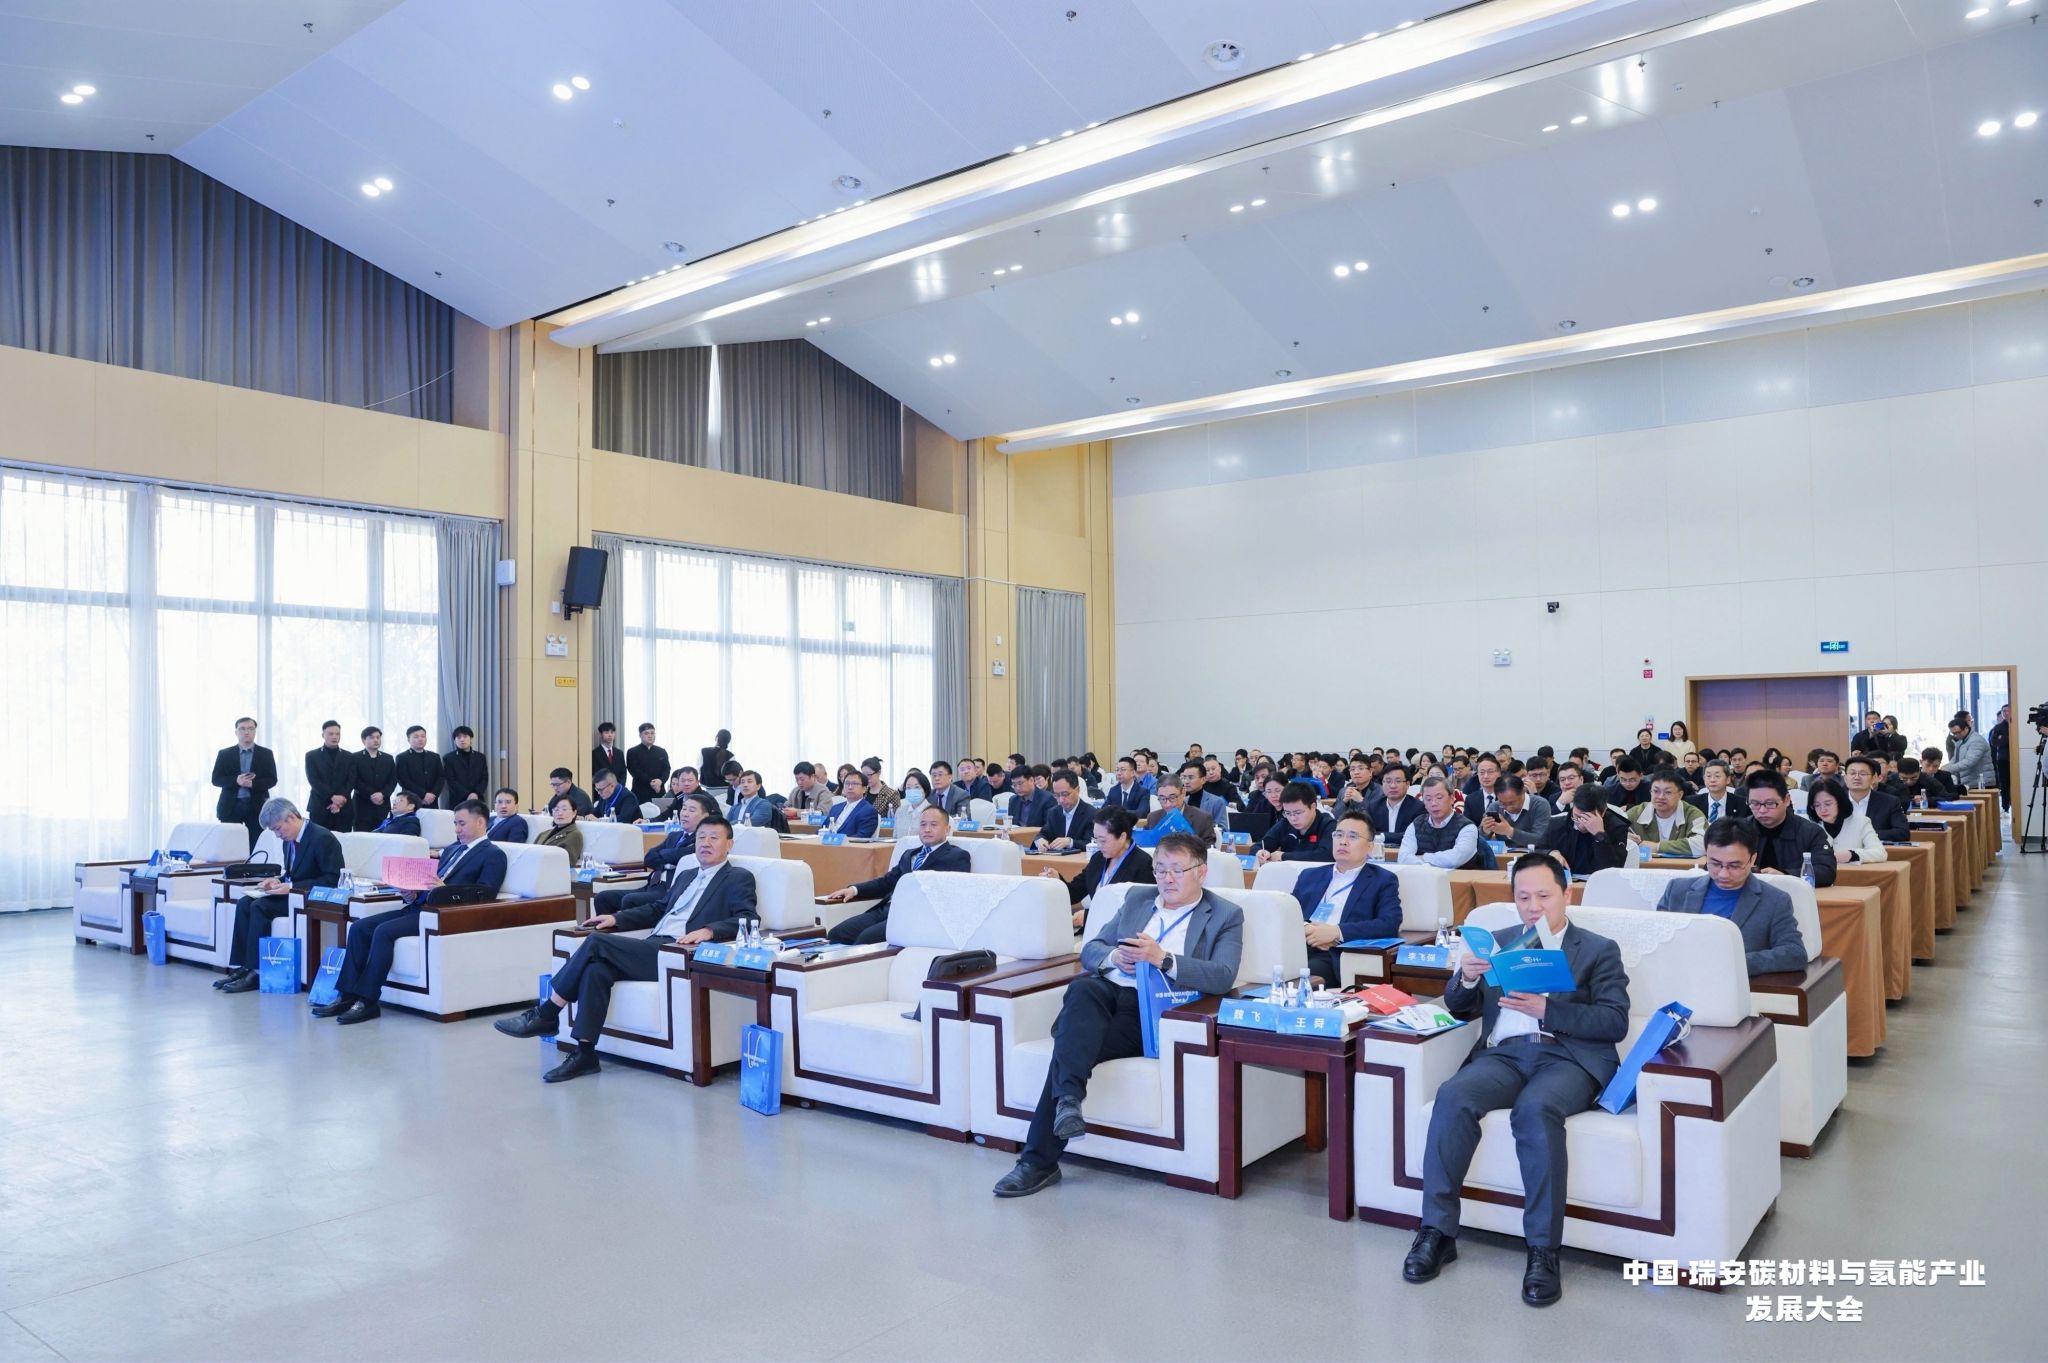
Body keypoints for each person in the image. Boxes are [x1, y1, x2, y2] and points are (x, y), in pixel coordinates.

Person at [1402, 852, 1629, 1307]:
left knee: (1536, 1109)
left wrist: (1549, 1010)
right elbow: (1460, 1007)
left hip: (1567, 1058)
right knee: (1453, 1095)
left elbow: (1614, 1021)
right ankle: (1437, 1232)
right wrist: (1466, 979)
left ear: (1567, 894)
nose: (1533, 907)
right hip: (1504, 1055)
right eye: (1523, 897)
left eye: (1544, 896)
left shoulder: (1598, 949)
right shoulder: (1499, 944)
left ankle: (1543, 1250)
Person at [993, 833, 1242, 1198]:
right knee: (1082, 989)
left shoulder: (1225, 914)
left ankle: (1038, 1161)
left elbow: (1223, 975)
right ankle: (1067, 1104)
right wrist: (1114, 958)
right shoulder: (1138, 899)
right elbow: (1091, 948)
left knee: (1070, 1047)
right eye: (1160, 869)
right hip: (1106, 993)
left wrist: (1163, 959)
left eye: (1177, 870)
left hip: (1155, 1010)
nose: (1167, 879)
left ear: (1201, 872)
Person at [497, 818, 758, 1081]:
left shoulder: (738, 877)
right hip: (653, 944)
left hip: (678, 952)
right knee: (596, 970)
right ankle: (585, 1054)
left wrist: (709, 931)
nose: (705, 843)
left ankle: (548, 1012)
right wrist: (616, 918)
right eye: (701, 837)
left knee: (596, 943)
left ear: (729, 844)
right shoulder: (687, 874)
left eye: (714, 837)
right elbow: (658, 909)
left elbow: (748, 918)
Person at [313, 800, 508, 1024]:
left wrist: (445, 890)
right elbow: (430, 884)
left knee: (383, 932)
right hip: (418, 907)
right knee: (359, 928)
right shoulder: (452, 850)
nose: (457, 829)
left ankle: (367, 1001)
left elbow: (485, 895)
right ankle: (346, 995)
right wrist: (411, 894)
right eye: (455, 824)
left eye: (462, 824)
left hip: (443, 915)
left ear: (481, 822)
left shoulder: (493, 854)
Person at [216, 798, 345, 993]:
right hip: (293, 895)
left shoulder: (322, 838)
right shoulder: (289, 841)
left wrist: (291, 887)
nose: (277, 835)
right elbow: (293, 874)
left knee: (260, 907)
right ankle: (243, 967)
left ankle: (257, 971)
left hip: (311, 899)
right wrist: (277, 881)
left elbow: (332, 879)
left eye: (277, 829)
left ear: (291, 817)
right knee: (244, 902)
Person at [1655, 819, 1809, 975]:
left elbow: (1795, 953)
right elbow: (1656, 940)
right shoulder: (1677, 890)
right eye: (1715, 864)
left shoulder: (1775, 900)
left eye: (1734, 866)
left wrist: (1734, 962)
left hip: (1735, 983)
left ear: (1752, 859)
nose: (1723, 874)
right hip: (1679, 978)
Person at [820, 803, 973, 944]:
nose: (927, 829)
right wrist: (854, 890)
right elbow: (886, 883)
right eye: (923, 824)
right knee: (836, 934)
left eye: (934, 825)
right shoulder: (909, 854)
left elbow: (950, 895)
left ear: (947, 829)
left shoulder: (957, 856)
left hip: (914, 917)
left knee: (864, 939)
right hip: (886, 910)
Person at [1291, 812, 1402, 987]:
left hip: (1335, 954)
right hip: (1298, 946)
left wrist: (1337, 932)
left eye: (1353, 836)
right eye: (1339, 835)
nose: (1343, 841)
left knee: (1299, 975)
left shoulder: (1383, 880)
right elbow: (1289, 913)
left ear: (1370, 847)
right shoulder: (1309, 875)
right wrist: (1307, 929)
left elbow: (1389, 923)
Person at [593, 791, 721, 924]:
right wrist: (668, 860)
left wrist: (664, 856)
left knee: (630, 900)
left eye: (692, 810)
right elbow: (649, 858)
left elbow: (681, 855)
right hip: (652, 884)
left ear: (705, 816)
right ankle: (605, 930)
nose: (685, 813)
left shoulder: (702, 840)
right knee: (603, 898)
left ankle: (633, 932)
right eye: (684, 808)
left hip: (669, 889)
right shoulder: (674, 836)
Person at [1048, 807, 1154, 930]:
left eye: (1103, 841)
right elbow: (1074, 893)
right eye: (1096, 839)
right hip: (1094, 930)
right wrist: (1058, 880)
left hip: (1121, 934)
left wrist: (1089, 916)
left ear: (1122, 837)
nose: (1098, 845)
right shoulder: (1098, 859)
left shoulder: (1143, 864)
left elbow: (1139, 911)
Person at [1742, 770, 1836, 886]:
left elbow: (1826, 872)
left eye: (1770, 803)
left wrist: (1786, 875)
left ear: (1786, 800)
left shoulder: (1810, 832)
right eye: (1755, 804)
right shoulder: (1739, 831)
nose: (1762, 810)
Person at [1537, 785, 1630, 876]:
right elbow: (1537, 850)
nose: (1580, 823)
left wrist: (1600, 835)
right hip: (1564, 881)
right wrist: (1550, 853)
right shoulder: (1557, 824)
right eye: (1577, 816)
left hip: (1599, 882)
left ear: (1603, 812)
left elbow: (1615, 868)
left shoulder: (1617, 828)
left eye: (1586, 818)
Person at [210, 716, 277, 841]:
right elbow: (216, 779)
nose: (246, 732)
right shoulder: (224, 754)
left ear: (255, 731)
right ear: (236, 732)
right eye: (242, 729)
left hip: (257, 807)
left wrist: (252, 784)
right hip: (231, 807)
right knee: (230, 845)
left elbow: (272, 779)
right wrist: (236, 780)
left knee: (256, 845)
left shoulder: (266, 754)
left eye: (251, 728)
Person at [1398, 776, 1481, 870]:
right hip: (1423, 877)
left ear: (1452, 798)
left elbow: (1456, 858)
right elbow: (1403, 858)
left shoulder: (1467, 827)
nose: (1433, 803)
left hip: (1458, 878)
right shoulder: (1416, 824)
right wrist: (1427, 866)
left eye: (1439, 797)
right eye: (1428, 799)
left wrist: (1423, 858)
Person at [1623, 768, 1706, 858]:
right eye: (1656, 791)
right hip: (1644, 866)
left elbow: (1703, 844)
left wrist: (1657, 847)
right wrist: (1623, 837)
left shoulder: (1692, 814)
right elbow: (1613, 833)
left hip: (1680, 866)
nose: (1660, 797)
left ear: (1680, 795)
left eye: (1667, 792)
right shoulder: (1637, 813)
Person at [1808, 777, 1886, 864]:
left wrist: (1852, 855)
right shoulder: (1809, 826)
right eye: (1817, 805)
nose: (1822, 810)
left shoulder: (1861, 822)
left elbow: (1880, 853)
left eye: (1828, 804)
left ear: (1840, 802)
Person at [1257, 781, 1336, 863]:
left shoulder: (1328, 824)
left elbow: (1326, 855)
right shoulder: (1285, 823)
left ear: (1313, 807)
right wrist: (1260, 852)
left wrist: (1284, 856)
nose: (1293, 818)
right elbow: (1260, 845)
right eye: (1287, 813)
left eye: (1298, 813)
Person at [1841, 756, 1909, 843]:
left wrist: (1866, 835)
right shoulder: (1835, 801)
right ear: (1845, 778)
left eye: (1863, 774)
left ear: (1873, 778)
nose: (1857, 777)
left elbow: (1902, 833)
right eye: (1852, 773)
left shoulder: (1890, 802)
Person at [305, 720, 353, 832]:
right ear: (323, 735)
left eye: (337, 734)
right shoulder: (312, 755)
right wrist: (332, 796)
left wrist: (339, 801)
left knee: (344, 840)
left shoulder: (349, 756)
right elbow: (314, 780)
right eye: (330, 734)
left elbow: (351, 780)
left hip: (344, 808)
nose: (334, 736)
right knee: (319, 840)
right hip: (320, 806)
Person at [1031, 770, 1096, 851]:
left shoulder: (1091, 814)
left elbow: (1092, 844)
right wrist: (1040, 840)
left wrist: (1070, 842)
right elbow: (1043, 833)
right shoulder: (1054, 812)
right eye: (1057, 795)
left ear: (1077, 790)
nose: (1061, 800)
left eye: (1065, 794)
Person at [347, 727, 397, 831]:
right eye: (372, 737)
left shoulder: (388, 758)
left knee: (382, 835)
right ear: (363, 740)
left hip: (383, 804)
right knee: (362, 837)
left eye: (378, 737)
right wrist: (372, 795)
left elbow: (392, 780)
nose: (376, 740)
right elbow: (354, 780)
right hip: (362, 805)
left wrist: (382, 794)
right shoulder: (354, 757)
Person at [1478, 775, 1547, 847]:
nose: (1508, 808)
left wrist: (1510, 831)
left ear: (1523, 792)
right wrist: (1484, 831)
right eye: (1502, 803)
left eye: (1512, 803)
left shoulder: (1539, 804)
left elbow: (1541, 840)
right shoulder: (1495, 806)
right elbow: (1477, 840)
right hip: (1504, 853)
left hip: (1534, 853)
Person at [1143, 781, 1216, 845]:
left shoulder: (1203, 818)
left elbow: (1209, 850)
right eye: (1162, 799)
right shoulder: (1153, 818)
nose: (1168, 804)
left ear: (1183, 792)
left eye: (1172, 798)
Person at [1367, 765, 1424, 845]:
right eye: (1388, 781)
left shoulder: (1419, 807)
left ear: (1407, 784)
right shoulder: (1373, 806)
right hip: (1379, 851)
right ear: (1382, 783)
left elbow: (1415, 835)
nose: (1392, 786)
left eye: (1398, 781)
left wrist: (1382, 836)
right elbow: (1367, 833)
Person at [1685, 759, 1749, 824]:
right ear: (1704, 779)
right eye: (1708, 776)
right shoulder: (1692, 803)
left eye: (1717, 776)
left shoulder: (1741, 803)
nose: (1712, 780)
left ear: (1728, 779)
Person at [394, 725, 443, 809]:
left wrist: (433, 794)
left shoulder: (434, 756)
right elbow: (403, 780)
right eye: (416, 737)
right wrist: (423, 795)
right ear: (408, 739)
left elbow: (441, 777)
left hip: (432, 800)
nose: (420, 739)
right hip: (411, 801)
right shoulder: (402, 757)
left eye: (423, 736)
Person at [822, 769, 881, 837]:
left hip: (846, 843)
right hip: (826, 842)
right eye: (847, 783)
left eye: (855, 784)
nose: (850, 787)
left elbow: (862, 836)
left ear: (864, 789)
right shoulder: (835, 808)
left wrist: (839, 840)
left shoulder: (868, 811)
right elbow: (823, 829)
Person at [442, 726, 488, 808]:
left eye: (465, 736)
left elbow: (484, 778)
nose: (462, 740)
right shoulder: (448, 758)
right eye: (458, 737)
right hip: (457, 800)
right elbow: (451, 781)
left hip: (477, 799)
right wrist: (468, 795)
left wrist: (475, 793)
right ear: (454, 740)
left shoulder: (480, 757)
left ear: (471, 739)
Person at [1945, 712, 1994, 789]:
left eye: (1958, 732)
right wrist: (1945, 767)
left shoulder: (1976, 740)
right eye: (1953, 733)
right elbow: (1955, 759)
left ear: (1966, 728)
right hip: (1969, 783)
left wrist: (1948, 769)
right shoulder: (1961, 741)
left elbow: (1969, 762)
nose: (1956, 735)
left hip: (1981, 784)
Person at [623, 723, 670, 802]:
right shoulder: (632, 751)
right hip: (640, 792)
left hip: (659, 790)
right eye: (646, 733)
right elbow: (634, 770)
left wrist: (660, 781)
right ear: (640, 735)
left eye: (652, 733)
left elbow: (667, 769)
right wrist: (651, 782)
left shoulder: (662, 751)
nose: (650, 736)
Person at [536, 793, 584, 865]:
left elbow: (567, 863)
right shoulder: (543, 834)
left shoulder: (575, 835)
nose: (560, 813)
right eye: (556, 809)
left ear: (574, 813)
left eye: (564, 809)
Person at [1988, 703, 2012, 811]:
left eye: (2007, 710)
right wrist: (2008, 739)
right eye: (2004, 711)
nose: (2006, 713)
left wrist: (2003, 738)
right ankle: (2005, 807)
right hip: (2003, 759)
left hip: (2015, 759)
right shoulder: (1998, 727)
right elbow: (1994, 742)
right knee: (2004, 784)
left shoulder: (2016, 725)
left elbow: (2016, 739)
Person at [591, 722, 628, 790]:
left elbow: (623, 773)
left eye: (612, 732)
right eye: (606, 732)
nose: (610, 735)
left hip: (618, 790)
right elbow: (594, 774)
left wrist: (619, 787)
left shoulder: (619, 753)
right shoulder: (594, 754)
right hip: (601, 791)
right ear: (600, 734)